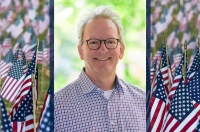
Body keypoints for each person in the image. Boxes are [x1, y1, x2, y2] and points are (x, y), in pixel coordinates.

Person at [54, 6, 146, 131]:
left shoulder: (145, 104)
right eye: (93, 42)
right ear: (81, 51)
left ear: (121, 50)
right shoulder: (55, 107)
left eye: (110, 41)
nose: (103, 49)